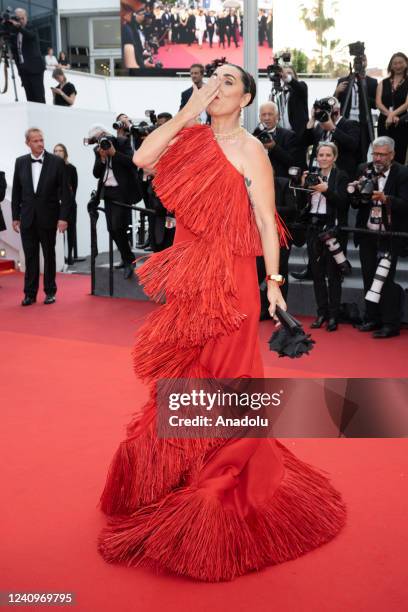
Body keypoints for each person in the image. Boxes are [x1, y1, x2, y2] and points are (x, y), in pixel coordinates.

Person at [97, 64, 346, 581]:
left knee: (230, 385)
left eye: (229, 82)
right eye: (213, 80)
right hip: (187, 280)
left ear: (248, 97)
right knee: (184, 381)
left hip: (230, 285)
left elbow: (265, 223)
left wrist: (274, 284)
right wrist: (192, 106)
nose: (218, 88)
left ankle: (219, 482)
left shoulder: (252, 149)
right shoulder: (187, 137)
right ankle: (179, 472)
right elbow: (143, 156)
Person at [351, 136, 408, 338]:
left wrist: (386, 199)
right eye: (375, 154)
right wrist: (356, 192)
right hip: (367, 234)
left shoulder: (402, 173)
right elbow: (355, 204)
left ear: (392, 155)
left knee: (385, 280)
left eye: (382, 155)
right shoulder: (363, 169)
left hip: (389, 235)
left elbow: (405, 204)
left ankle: (390, 323)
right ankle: (372, 318)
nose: (377, 158)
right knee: (368, 277)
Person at [11, 128, 71, 305]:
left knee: (49, 255)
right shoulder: (20, 162)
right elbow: (16, 192)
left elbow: (66, 194)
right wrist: (16, 216)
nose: (40, 143)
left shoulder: (56, 162)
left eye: (41, 140)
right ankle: (29, 293)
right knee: (30, 257)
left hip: (49, 217)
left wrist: (63, 218)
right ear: (28, 143)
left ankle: (50, 291)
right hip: (27, 218)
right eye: (36, 141)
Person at [300, 143, 349, 331]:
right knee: (317, 275)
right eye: (321, 155)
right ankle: (322, 313)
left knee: (333, 275)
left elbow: (343, 203)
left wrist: (325, 190)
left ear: (334, 157)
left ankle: (334, 316)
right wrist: (304, 186)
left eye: (328, 154)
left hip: (332, 229)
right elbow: (302, 204)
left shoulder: (341, 176)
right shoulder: (312, 175)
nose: (324, 158)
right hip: (313, 226)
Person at [92, 126, 136, 279]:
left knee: (119, 227)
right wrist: (102, 158)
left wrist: (114, 154)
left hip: (121, 192)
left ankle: (129, 260)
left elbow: (132, 162)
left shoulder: (122, 142)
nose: (103, 142)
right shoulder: (98, 150)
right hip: (107, 193)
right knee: (111, 229)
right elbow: (96, 173)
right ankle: (126, 258)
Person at [334, 55, 378, 162]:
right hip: (346, 121)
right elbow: (334, 102)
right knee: (345, 152)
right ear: (353, 64)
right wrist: (337, 91)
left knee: (362, 154)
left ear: (366, 63)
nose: (359, 63)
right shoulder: (343, 80)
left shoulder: (372, 82)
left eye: (362, 60)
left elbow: (375, 105)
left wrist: (363, 91)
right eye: (357, 61)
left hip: (364, 123)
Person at [304, 97, 360, 179]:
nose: (323, 116)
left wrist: (333, 129)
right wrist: (312, 119)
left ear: (337, 112)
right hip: (320, 174)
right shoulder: (320, 127)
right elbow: (305, 142)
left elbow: (352, 144)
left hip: (341, 175)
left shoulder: (350, 124)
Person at [376, 53, 408, 165]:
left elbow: (406, 104)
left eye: (401, 62)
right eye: (395, 63)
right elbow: (378, 103)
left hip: (401, 123)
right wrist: (390, 115)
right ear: (391, 65)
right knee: (382, 153)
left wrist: (392, 115)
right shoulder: (383, 83)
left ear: (406, 64)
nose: (398, 65)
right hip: (384, 123)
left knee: (399, 154)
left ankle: (398, 180)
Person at [9, 8, 46, 103]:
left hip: (35, 69)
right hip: (24, 71)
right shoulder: (15, 32)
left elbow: (31, 35)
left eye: (22, 18)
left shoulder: (32, 27)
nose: (21, 21)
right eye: (18, 19)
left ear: (26, 17)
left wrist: (19, 28)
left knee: (39, 98)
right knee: (30, 100)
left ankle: (42, 117)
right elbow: (16, 54)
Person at [253, 102, 299, 178]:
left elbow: (293, 162)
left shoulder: (289, 135)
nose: (267, 118)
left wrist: (274, 147)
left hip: (280, 183)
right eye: (264, 115)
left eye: (270, 114)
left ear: (277, 116)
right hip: (258, 180)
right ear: (260, 117)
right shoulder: (253, 136)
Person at [53, 144, 78, 266]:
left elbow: (74, 187)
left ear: (65, 153)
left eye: (60, 150)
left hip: (70, 204)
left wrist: (68, 200)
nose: (58, 153)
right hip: (56, 205)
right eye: (55, 151)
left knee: (71, 229)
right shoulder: (50, 169)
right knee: (58, 231)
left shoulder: (71, 168)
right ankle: (61, 256)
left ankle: (70, 255)